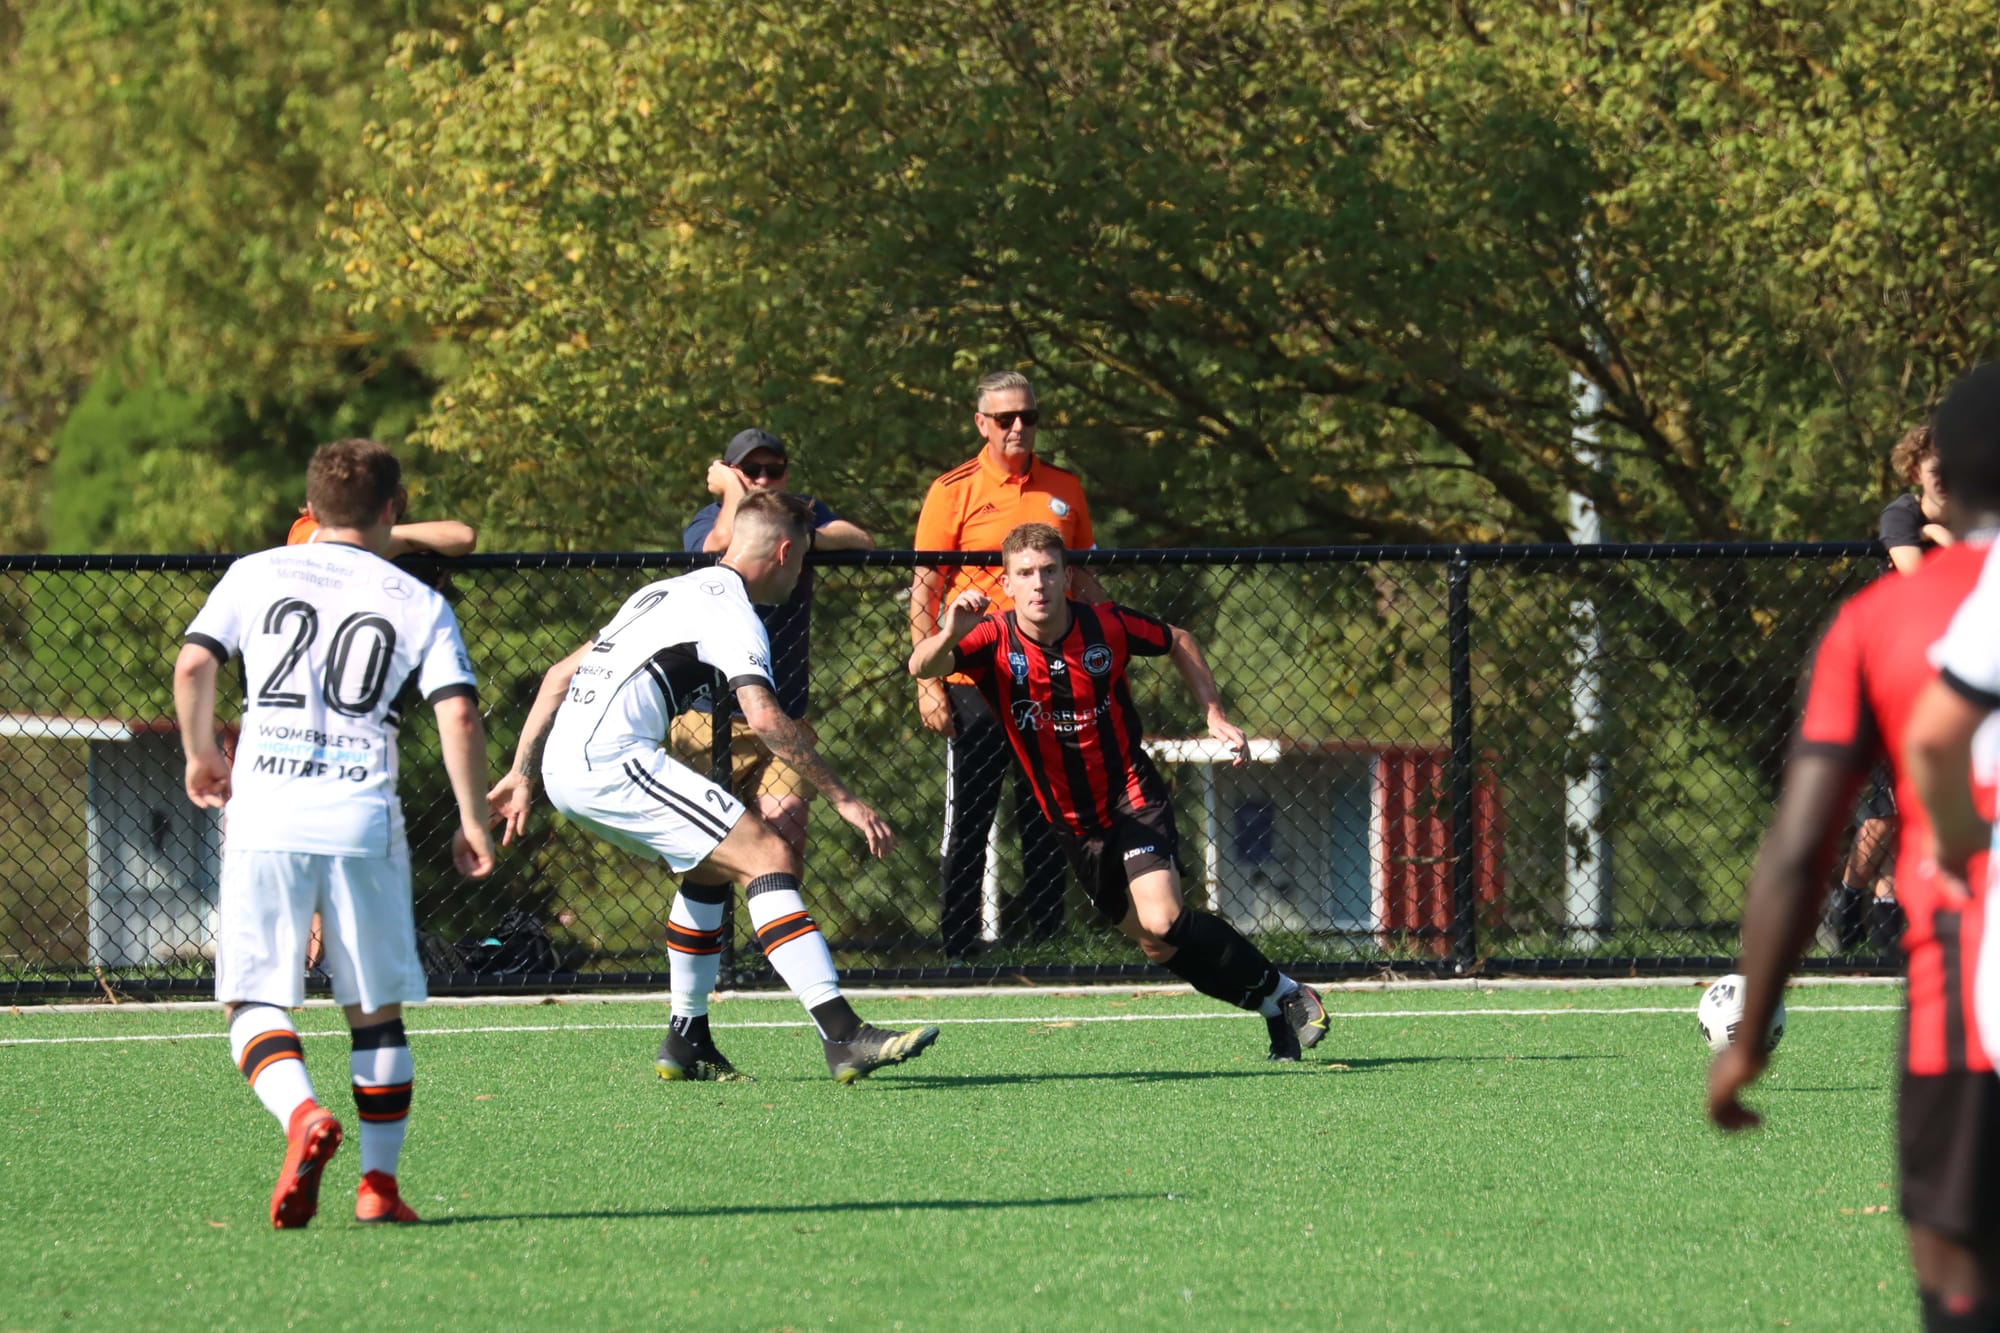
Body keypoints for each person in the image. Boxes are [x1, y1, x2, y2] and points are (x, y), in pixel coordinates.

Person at [1710, 364, 2000, 1332]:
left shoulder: (1882, 621)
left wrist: (1750, 1033)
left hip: (1969, 991)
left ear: (1943, 477)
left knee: (1958, 1269)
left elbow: (1798, 848)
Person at [487, 490, 936, 1084]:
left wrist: (521, 774)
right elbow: (767, 719)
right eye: (803, 561)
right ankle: (844, 1034)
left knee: (710, 868)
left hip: (569, 764)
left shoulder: (660, 593)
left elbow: (556, 677)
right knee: (768, 855)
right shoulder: (733, 611)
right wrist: (846, 800)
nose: (800, 575)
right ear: (784, 553)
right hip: (610, 762)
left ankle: (687, 1040)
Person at [173, 437, 497, 1229]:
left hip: (266, 810)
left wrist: (202, 752)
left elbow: (192, 665)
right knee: (375, 1012)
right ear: (392, 509)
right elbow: (458, 712)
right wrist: (472, 819)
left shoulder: (254, 572)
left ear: (311, 508)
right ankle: (378, 1186)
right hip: (362, 817)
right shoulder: (417, 600)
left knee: (254, 999)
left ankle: (302, 1113)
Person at [910, 522, 1329, 1060]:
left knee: (1162, 918)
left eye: (1049, 571)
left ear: (1067, 577)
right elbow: (921, 665)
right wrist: (949, 631)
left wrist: (1213, 713)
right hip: (1072, 823)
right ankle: (1274, 1009)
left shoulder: (1104, 625)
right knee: (1157, 945)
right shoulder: (991, 637)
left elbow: (1177, 639)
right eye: (1025, 573)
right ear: (1006, 584)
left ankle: (1290, 993)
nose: (1038, 584)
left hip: (1129, 796)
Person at [911, 371, 1105, 957]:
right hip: (975, 677)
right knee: (971, 814)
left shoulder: (1064, 487)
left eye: (1028, 416)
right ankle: (959, 945)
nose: (1019, 427)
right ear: (982, 424)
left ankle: (1047, 941)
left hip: (1052, 673)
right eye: (1005, 418)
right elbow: (925, 590)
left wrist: (1108, 645)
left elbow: (1084, 580)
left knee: (1050, 810)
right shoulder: (953, 490)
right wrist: (929, 684)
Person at [289, 494, 478, 973]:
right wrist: (392, 543)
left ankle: (330, 962)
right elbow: (325, 543)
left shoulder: (377, 565)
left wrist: (392, 542)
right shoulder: (306, 533)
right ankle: (313, 963)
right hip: (301, 727)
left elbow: (464, 536)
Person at [677, 428, 873, 856]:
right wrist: (733, 492)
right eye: (751, 470)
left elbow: (861, 540)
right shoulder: (710, 517)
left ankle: (779, 902)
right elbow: (716, 548)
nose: (764, 479)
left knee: (786, 845)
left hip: (784, 714)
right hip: (710, 717)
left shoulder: (799, 514)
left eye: (774, 470)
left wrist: (801, 537)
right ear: (730, 472)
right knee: (708, 856)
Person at [1883, 424, 1955, 577]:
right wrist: (1938, 533)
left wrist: (1940, 535)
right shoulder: (1899, 515)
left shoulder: (1978, 512)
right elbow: (1918, 579)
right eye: (1936, 472)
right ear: (1916, 475)